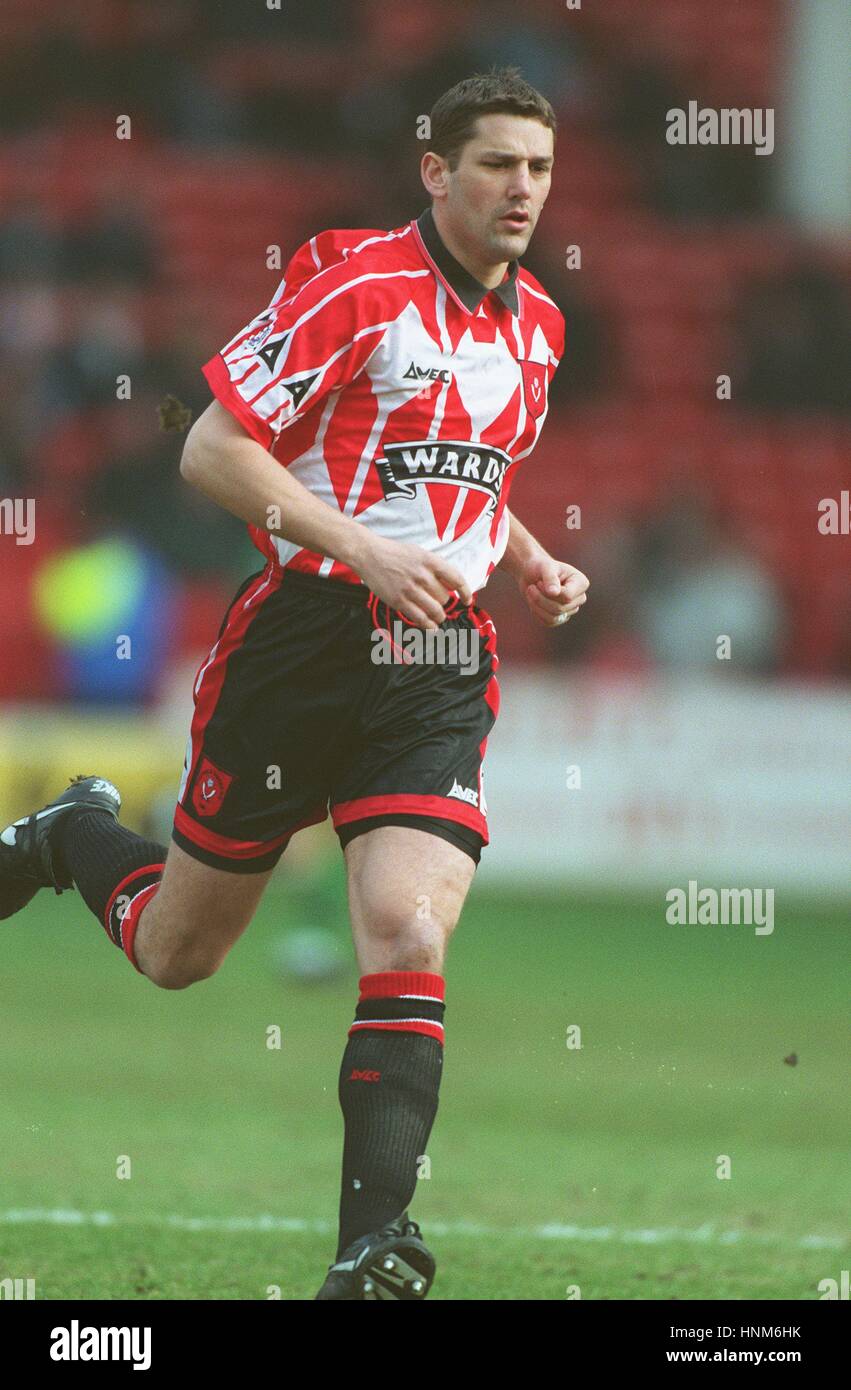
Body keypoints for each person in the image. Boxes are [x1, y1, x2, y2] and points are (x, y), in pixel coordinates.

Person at [1, 68, 589, 1301]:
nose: (520, 189)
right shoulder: (356, 282)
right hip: (302, 643)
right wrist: (363, 546)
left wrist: (527, 558)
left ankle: (371, 1247)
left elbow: (471, 469)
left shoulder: (538, 322)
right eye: (495, 163)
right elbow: (212, 448)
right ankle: (71, 835)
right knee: (178, 953)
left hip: (435, 660)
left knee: (407, 928)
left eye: (536, 167)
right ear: (437, 172)